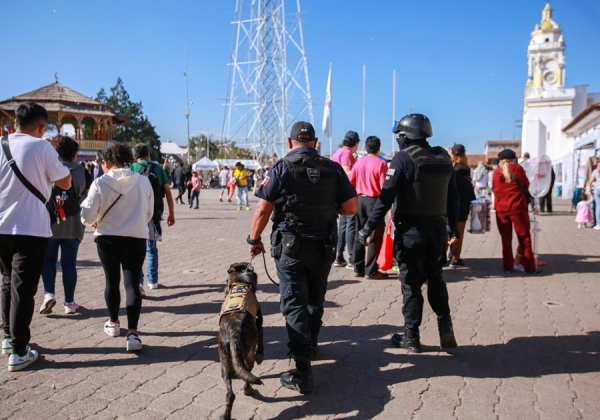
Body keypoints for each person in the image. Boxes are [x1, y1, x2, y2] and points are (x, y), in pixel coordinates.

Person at [248, 121, 357, 394]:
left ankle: (303, 372)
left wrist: (254, 239)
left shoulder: (282, 167)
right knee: (314, 299)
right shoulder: (332, 168)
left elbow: (263, 209)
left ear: (290, 142)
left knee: (295, 305)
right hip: (324, 247)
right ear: (315, 142)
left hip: (292, 248)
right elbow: (352, 208)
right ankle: (311, 348)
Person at [357, 113, 459, 354]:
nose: (398, 140)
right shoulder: (444, 157)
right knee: (435, 277)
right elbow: (453, 196)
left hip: (411, 231)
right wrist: (452, 227)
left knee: (411, 286)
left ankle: (411, 338)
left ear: (409, 136)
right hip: (436, 230)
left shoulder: (403, 159)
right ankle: (446, 327)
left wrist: (367, 228)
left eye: (400, 135)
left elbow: (385, 198)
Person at [0, 102, 72, 371]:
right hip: (30, 227)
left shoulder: (0, 144)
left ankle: (8, 337)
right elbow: (65, 182)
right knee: (23, 289)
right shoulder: (41, 147)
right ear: (42, 127)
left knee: (7, 282)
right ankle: (19, 351)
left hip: (1, 226)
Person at [81, 144, 153, 351]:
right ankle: (133, 334)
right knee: (132, 284)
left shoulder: (100, 182)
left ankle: (113, 323)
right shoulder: (143, 181)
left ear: (106, 163)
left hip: (107, 238)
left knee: (111, 281)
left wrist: (95, 220)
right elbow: (148, 213)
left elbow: (87, 215)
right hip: (136, 238)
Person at [40, 136, 87, 315]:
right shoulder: (83, 172)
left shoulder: (48, 168)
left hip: (49, 222)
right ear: (75, 155)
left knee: (49, 261)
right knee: (69, 264)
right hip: (73, 223)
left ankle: (48, 295)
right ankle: (69, 302)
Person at [131, 144, 176, 293]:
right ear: (148, 155)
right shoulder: (158, 169)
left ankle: (138, 282)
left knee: (136, 250)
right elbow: (168, 193)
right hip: (154, 213)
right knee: (151, 248)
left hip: (135, 214)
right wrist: (171, 213)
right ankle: (153, 281)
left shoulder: (131, 168)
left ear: (135, 157)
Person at [492, 149, 541, 275]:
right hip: (517, 208)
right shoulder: (518, 169)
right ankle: (529, 267)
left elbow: (494, 189)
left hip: (501, 210)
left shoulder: (496, 172)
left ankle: (508, 267)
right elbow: (526, 184)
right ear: (514, 159)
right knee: (524, 238)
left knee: (506, 239)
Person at [348, 135, 388, 279]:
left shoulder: (359, 163)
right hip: (374, 201)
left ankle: (358, 267)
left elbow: (350, 181)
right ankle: (371, 269)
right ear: (379, 148)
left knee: (359, 233)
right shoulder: (381, 164)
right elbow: (384, 187)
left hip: (360, 200)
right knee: (375, 235)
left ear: (365, 148)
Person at [331, 130, 360, 268]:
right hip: (346, 194)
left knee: (342, 225)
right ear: (356, 143)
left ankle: (338, 255)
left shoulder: (338, 152)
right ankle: (352, 259)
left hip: (335, 192)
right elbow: (347, 172)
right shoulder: (347, 153)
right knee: (350, 225)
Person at [449, 144, 476, 267]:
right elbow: (468, 189)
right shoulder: (464, 169)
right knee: (458, 232)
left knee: (445, 232)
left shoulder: (449, 168)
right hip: (461, 206)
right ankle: (455, 258)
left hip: (447, 205)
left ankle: (441, 258)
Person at [587, 162, 600, 229]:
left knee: (598, 207)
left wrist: (588, 190)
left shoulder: (595, 171)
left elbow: (590, 181)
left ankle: (598, 223)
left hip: (597, 190)